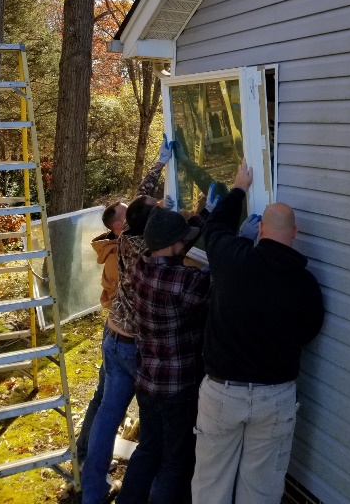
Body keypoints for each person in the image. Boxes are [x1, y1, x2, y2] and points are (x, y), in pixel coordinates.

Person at [191, 160, 324, 504]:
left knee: (211, 485)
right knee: (261, 490)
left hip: (223, 394)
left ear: (260, 229)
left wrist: (239, 188)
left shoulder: (233, 258)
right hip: (275, 398)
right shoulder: (306, 285)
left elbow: (216, 226)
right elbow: (309, 332)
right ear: (295, 235)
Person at [81, 136, 174, 504]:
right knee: (152, 422)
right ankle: (149, 490)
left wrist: (158, 166)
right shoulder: (148, 247)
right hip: (136, 345)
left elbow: (141, 200)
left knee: (108, 414)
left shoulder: (128, 237)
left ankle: (92, 492)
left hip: (113, 336)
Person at [116, 205, 213, 504]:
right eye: (183, 241)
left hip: (147, 381)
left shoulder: (141, 264)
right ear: (172, 246)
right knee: (175, 461)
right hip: (177, 388)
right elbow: (218, 277)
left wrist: (206, 213)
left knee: (148, 450)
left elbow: (176, 240)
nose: (186, 244)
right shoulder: (185, 282)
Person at [75, 202, 126, 466]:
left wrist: (159, 167)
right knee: (106, 400)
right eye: (129, 214)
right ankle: (86, 457)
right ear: (118, 227)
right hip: (120, 334)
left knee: (105, 398)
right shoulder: (120, 256)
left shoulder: (121, 244)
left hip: (116, 330)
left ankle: (86, 454)